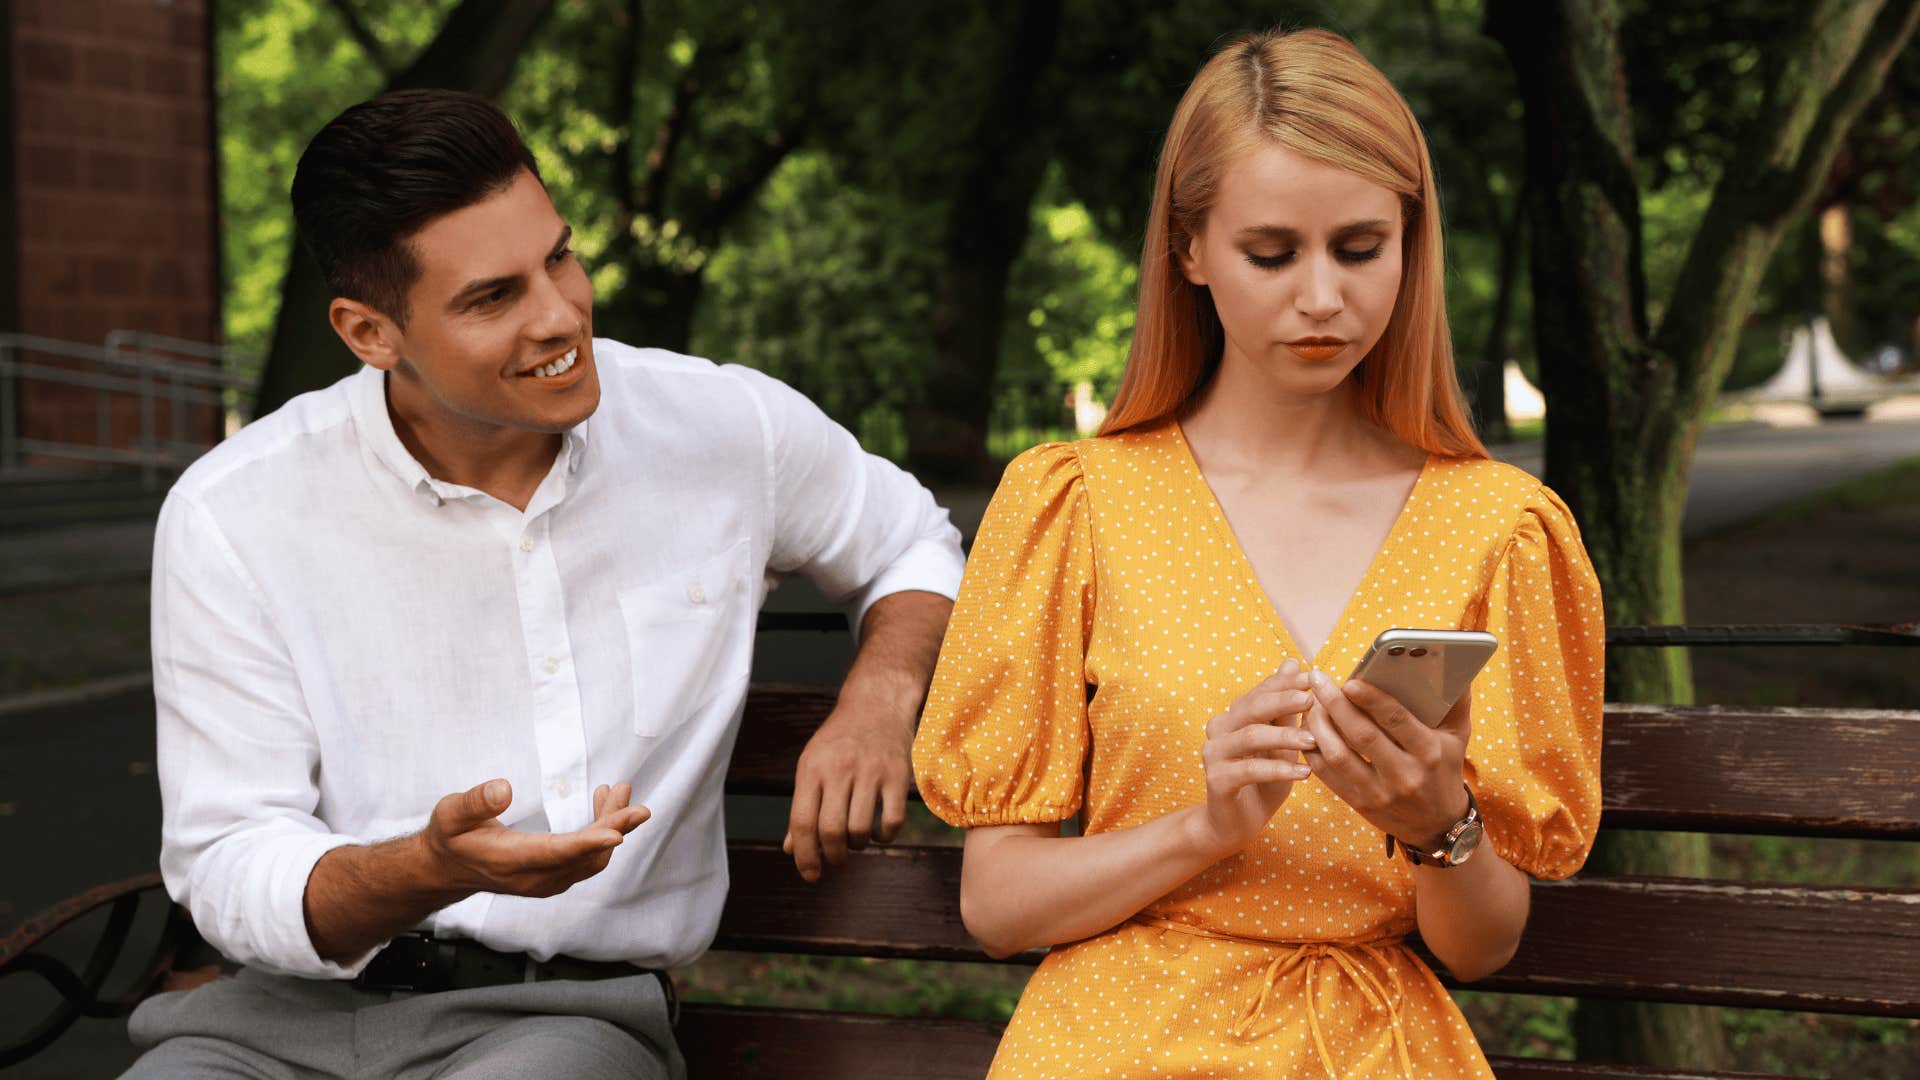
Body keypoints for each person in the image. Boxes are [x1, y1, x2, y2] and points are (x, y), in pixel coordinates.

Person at [124, 89, 964, 1079]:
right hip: (266, 1031)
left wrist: (881, 694)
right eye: (494, 297)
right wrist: (422, 874)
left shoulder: (722, 429)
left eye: (558, 257)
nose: (562, 315)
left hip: (558, 1022)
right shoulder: (234, 511)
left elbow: (911, 539)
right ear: (369, 332)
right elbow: (227, 859)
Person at [912, 27, 1604, 1079]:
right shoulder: (1075, 505)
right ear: (1188, 249)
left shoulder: (1499, 528)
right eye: (1272, 253)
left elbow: (1484, 947)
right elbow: (997, 907)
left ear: (1413, 244)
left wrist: (1440, 823)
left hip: (1370, 1044)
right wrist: (1207, 826)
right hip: (1116, 1040)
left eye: (1361, 248)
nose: (1322, 296)